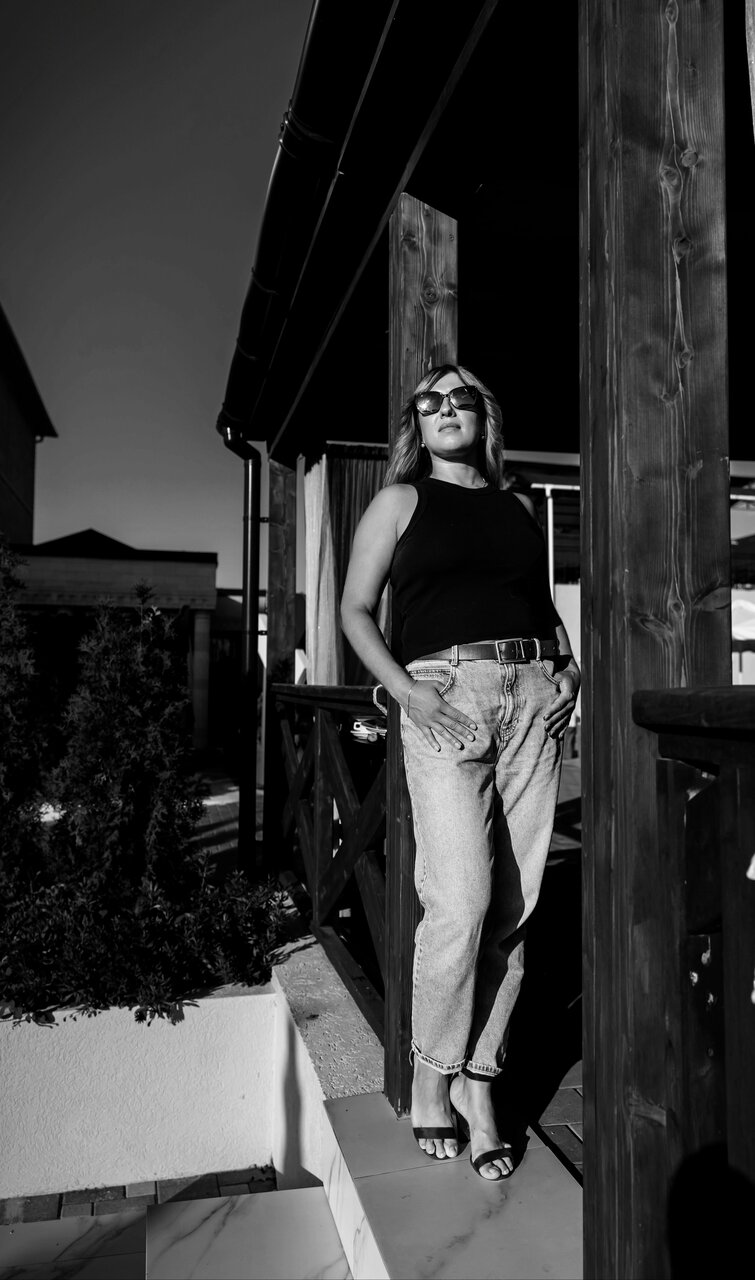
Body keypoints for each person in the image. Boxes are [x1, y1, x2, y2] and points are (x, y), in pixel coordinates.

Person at [340, 363, 581, 1182]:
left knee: (515, 905)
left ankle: (481, 1083)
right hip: (445, 698)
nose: (445, 409)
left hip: (533, 698)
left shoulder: (517, 507)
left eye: (460, 398)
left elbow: (538, 606)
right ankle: (432, 1072)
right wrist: (405, 690)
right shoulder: (399, 502)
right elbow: (354, 609)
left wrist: (570, 669)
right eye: (430, 402)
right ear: (417, 422)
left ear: (483, 415)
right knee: (462, 900)